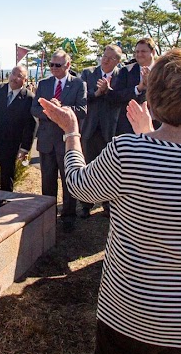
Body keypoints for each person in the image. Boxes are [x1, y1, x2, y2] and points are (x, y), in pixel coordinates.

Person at [38, 48, 181, 354]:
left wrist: (72, 133)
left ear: (155, 94)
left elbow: (80, 186)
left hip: (130, 309)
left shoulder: (129, 151)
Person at [30, 49, 87, 233]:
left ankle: (68, 216)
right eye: (51, 65)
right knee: (47, 181)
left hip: (65, 141)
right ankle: (48, 216)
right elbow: (34, 109)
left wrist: (61, 110)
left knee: (68, 180)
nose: (53, 68)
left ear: (67, 65)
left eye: (57, 65)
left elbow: (82, 110)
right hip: (47, 141)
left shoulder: (78, 84)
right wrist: (50, 111)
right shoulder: (44, 84)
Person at [78, 44, 124, 218]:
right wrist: (97, 92)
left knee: (110, 169)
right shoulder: (88, 73)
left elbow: (122, 98)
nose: (105, 60)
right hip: (90, 128)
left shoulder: (122, 76)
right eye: (104, 56)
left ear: (117, 62)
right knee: (88, 166)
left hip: (111, 129)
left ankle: (108, 204)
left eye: (110, 58)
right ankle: (85, 204)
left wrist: (108, 90)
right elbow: (82, 97)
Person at [116, 38, 156, 135]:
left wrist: (151, 84)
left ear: (153, 52)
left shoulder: (163, 70)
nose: (139, 54)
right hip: (130, 126)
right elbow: (117, 96)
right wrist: (138, 88)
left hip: (157, 125)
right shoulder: (126, 71)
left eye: (143, 51)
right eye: (137, 52)